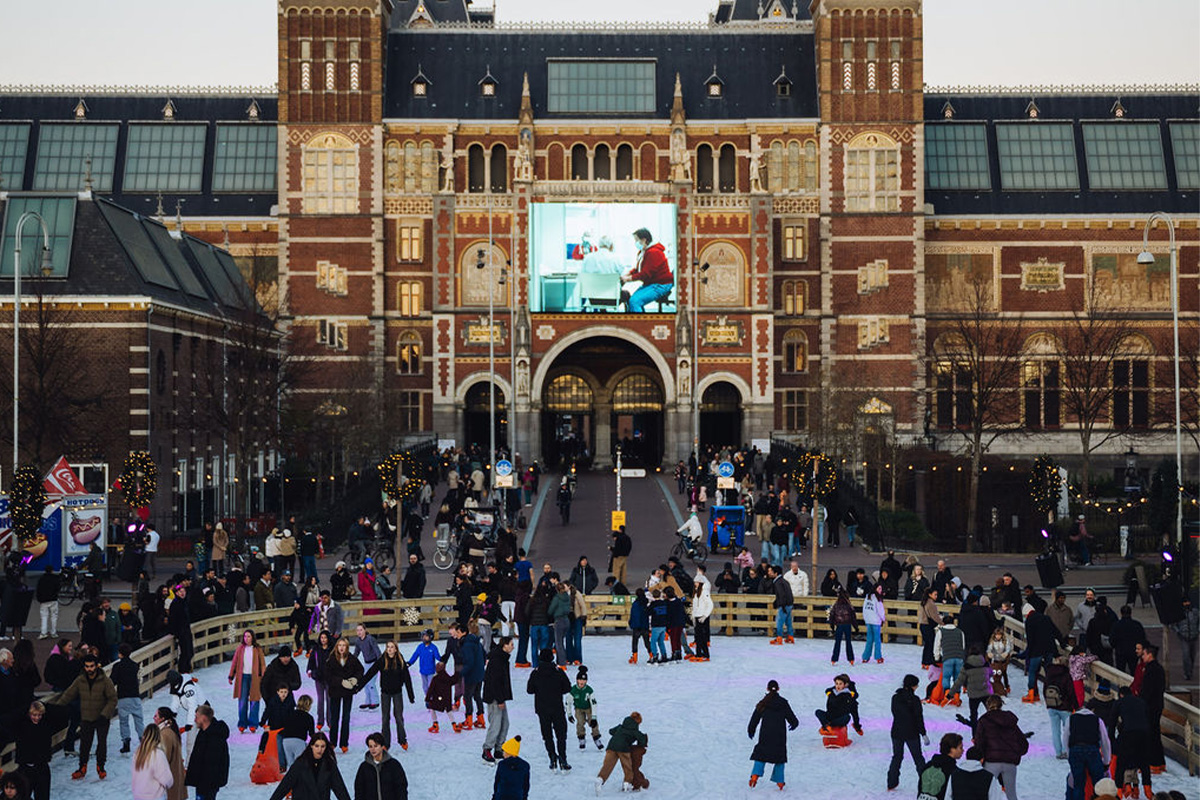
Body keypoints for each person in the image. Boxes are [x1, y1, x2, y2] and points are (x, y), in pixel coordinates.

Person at [55, 652, 116, 781]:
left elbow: (112, 699)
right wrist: (57, 707)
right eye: (87, 666)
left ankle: (101, 766)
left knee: (101, 743)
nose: (89, 669)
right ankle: (82, 767)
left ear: (96, 666)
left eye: (92, 666)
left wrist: (105, 714)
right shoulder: (80, 680)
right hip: (87, 717)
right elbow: (69, 694)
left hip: (102, 718)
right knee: (85, 744)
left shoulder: (105, 681)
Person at [973, 694, 1028, 799]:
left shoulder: (984, 720)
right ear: (1001, 705)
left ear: (987, 705)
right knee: (1011, 794)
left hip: (991, 761)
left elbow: (979, 741)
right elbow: (1023, 743)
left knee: (985, 793)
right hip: (1009, 762)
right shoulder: (1010, 720)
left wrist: (980, 756)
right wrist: (1016, 754)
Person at [746, 679, 798, 790]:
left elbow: (755, 718)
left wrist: (751, 730)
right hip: (779, 736)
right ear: (778, 689)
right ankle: (780, 782)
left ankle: (754, 776)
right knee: (780, 757)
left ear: (767, 689)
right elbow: (792, 719)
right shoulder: (783, 703)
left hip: (766, 735)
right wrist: (793, 724)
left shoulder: (763, 703)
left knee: (761, 754)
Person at [525, 647, 571, 772]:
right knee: (561, 734)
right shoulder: (558, 672)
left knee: (547, 735)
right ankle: (563, 758)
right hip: (557, 707)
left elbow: (529, 690)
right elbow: (567, 688)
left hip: (542, 708)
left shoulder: (535, 673)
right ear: (552, 658)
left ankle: (552, 756)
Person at [268, 732, 351, 800]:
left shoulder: (329, 765)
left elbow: (340, 789)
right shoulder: (300, 764)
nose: (319, 750)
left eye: (322, 746)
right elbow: (285, 786)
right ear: (311, 746)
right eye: (317, 746)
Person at [1066, 695, 1112, 800]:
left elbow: (1066, 738)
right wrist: (1106, 761)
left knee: (1078, 784)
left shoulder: (1071, 719)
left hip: (1075, 750)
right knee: (1098, 784)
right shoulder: (1097, 720)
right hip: (1092, 750)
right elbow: (1105, 740)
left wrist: (1070, 756)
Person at [887, 674, 928, 792]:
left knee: (897, 757)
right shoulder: (915, 700)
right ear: (913, 686)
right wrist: (923, 733)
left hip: (897, 731)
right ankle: (926, 783)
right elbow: (918, 718)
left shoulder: (895, 698)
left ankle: (891, 783)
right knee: (918, 758)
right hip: (912, 732)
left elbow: (895, 713)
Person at [324, 636, 363, 753]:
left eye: (344, 646)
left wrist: (355, 679)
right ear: (337, 647)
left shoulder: (352, 659)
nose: (341, 648)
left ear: (347, 647)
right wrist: (340, 681)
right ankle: (332, 742)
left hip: (347, 693)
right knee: (334, 718)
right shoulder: (331, 659)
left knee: (346, 718)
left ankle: (344, 743)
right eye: (340, 645)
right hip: (335, 692)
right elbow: (327, 675)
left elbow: (360, 670)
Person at [1113, 685, 1153, 797]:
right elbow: (1148, 719)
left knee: (1121, 763)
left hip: (1128, 734)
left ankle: (1119, 791)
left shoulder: (1119, 703)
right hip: (1143, 734)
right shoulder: (1141, 702)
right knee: (1144, 763)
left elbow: (1112, 723)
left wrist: (1112, 741)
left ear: (1121, 695)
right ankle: (1148, 790)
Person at [621, 228, 673, 312]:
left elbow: (645, 274)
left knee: (635, 302)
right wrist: (627, 275)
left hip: (661, 284)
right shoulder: (644, 252)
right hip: (652, 283)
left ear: (644, 240)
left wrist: (628, 279)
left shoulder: (654, 252)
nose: (635, 243)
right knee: (633, 300)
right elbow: (639, 269)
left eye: (636, 240)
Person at [184, 705, 230, 800]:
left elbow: (212, 764)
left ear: (204, 718)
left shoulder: (215, 738)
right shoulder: (203, 732)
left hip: (207, 784)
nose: (195, 720)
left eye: (197, 717)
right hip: (202, 782)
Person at [11, 701, 53, 800]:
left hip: (42, 767)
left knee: (43, 796)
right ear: (29, 714)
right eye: (34, 715)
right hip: (26, 769)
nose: (37, 718)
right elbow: (12, 718)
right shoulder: (21, 726)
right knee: (23, 796)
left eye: (39, 715)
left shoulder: (45, 725)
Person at [595, 713, 647, 793]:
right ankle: (627, 783)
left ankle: (600, 779)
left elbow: (611, 731)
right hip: (624, 749)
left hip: (611, 746)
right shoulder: (635, 731)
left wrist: (619, 732)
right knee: (627, 767)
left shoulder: (620, 727)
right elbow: (643, 740)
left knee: (607, 766)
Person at [227, 629, 266, 733]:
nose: (246, 638)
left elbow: (262, 663)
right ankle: (242, 723)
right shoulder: (240, 649)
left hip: (255, 677)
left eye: (248, 636)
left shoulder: (257, 649)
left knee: (254, 700)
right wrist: (231, 676)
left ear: (252, 637)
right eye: (245, 636)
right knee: (242, 700)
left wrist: (264, 676)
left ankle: (253, 723)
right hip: (243, 677)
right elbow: (234, 662)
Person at [352, 732, 408, 800]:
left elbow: (401, 788)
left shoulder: (394, 765)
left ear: (382, 747)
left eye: (376, 746)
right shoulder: (364, 767)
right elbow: (359, 790)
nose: (373, 749)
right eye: (370, 746)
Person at [1139, 643, 1166, 774]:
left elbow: (1147, 691)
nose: (1142, 656)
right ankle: (1160, 763)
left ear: (1150, 655)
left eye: (1144, 654)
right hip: (1157, 705)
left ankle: (1153, 763)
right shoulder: (1159, 669)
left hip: (1150, 707)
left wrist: (1141, 702)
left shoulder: (1151, 670)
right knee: (1155, 733)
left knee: (1150, 735)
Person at [111, 642, 144, 754]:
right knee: (139, 720)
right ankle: (143, 740)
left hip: (123, 697)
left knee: (124, 721)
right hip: (135, 696)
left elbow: (112, 681)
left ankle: (126, 742)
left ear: (120, 654)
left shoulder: (117, 666)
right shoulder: (135, 665)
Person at [131, 724, 174, 800]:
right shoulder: (157, 754)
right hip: (154, 796)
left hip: (138, 795)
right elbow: (166, 779)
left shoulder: (138, 753)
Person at [568, 665, 603, 752]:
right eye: (580, 679)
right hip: (578, 708)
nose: (582, 682)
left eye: (584, 680)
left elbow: (594, 703)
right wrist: (569, 714)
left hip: (588, 708)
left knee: (593, 723)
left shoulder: (589, 690)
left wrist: (594, 717)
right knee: (580, 722)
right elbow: (568, 702)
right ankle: (581, 738)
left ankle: (596, 737)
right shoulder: (573, 690)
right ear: (577, 680)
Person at [279, 694, 316, 769]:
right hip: (299, 741)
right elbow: (312, 734)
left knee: (291, 765)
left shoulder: (289, 714)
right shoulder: (309, 717)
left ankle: (290, 776)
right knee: (299, 764)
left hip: (286, 741)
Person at [353, 624, 381, 711]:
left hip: (374, 663)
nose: (359, 632)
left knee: (371, 682)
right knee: (365, 682)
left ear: (365, 630)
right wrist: (351, 661)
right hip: (366, 664)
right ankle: (368, 701)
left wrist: (380, 663)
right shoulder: (358, 641)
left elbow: (377, 651)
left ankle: (375, 701)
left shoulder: (370, 639)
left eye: (361, 630)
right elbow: (356, 652)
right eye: (357, 630)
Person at [1170, 596, 1198, 682]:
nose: (1186, 604)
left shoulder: (1195, 612)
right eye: (1185, 603)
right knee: (1186, 655)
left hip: (1194, 636)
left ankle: (1190, 670)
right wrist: (1178, 631)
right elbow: (1173, 624)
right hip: (1184, 637)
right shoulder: (1178, 613)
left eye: (1188, 602)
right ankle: (1187, 673)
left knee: (1192, 655)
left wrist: (1198, 630)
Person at [167, 585, 194, 673]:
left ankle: (187, 670)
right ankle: (183, 671)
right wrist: (176, 633)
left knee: (190, 652)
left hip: (186, 630)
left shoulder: (185, 602)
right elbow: (173, 619)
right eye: (180, 592)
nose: (182, 593)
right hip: (180, 632)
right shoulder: (175, 604)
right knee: (185, 652)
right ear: (177, 593)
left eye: (183, 591)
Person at [829, 589, 858, 665]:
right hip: (847, 625)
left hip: (839, 625)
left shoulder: (836, 605)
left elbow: (832, 615)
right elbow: (853, 616)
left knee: (837, 642)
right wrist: (856, 627)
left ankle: (834, 659)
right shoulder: (849, 605)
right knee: (848, 642)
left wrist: (832, 626)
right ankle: (851, 659)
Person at [768, 566, 795, 645]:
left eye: (771, 572)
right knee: (788, 622)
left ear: (776, 573)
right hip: (789, 604)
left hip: (784, 605)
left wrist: (782, 605)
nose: (770, 573)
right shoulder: (784, 581)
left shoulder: (778, 582)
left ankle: (779, 637)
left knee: (779, 622)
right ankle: (790, 637)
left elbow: (781, 594)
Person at [861, 584, 887, 664]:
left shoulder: (867, 597)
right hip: (875, 621)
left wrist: (865, 618)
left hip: (868, 621)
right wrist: (883, 619)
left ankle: (865, 657)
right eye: (879, 588)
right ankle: (878, 657)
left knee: (869, 640)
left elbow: (864, 609)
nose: (880, 590)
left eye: (881, 588)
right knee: (877, 640)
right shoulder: (877, 598)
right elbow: (880, 610)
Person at [918, 588, 942, 668]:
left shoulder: (923, 602)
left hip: (922, 625)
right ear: (930, 594)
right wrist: (942, 623)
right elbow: (934, 616)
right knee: (930, 645)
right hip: (928, 625)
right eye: (935, 594)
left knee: (927, 645)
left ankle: (924, 662)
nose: (936, 596)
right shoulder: (931, 603)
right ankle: (928, 662)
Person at [689, 581, 713, 662]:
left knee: (702, 637)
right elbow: (695, 605)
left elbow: (710, 604)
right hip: (697, 616)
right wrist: (693, 615)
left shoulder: (704, 592)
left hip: (701, 616)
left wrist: (705, 615)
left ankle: (705, 654)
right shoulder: (696, 592)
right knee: (698, 637)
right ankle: (699, 653)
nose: (695, 583)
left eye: (697, 582)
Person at [35, 567, 60, 640]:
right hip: (53, 599)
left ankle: (43, 633)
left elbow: (38, 590)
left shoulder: (41, 579)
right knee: (54, 617)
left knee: (44, 617)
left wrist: (39, 599)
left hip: (44, 600)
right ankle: (53, 632)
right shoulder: (55, 578)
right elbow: (58, 588)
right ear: (52, 570)